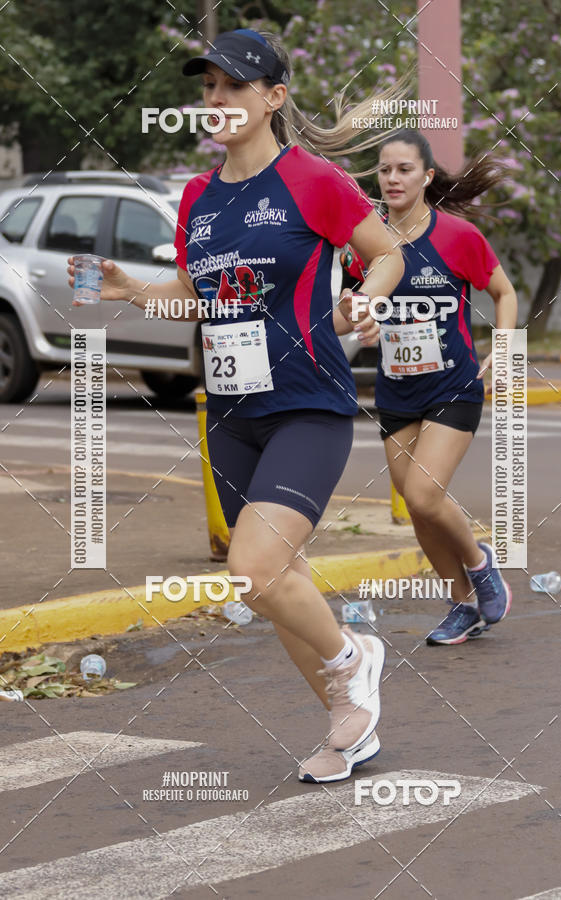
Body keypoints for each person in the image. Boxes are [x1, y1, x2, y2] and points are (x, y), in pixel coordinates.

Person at [68, 29, 406, 782]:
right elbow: (196, 297)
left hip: (307, 405)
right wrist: (129, 292)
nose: (215, 100)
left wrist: (364, 297)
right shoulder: (197, 196)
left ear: (273, 98)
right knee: (280, 579)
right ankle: (348, 721)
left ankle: (357, 659)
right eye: (207, 87)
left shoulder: (311, 179)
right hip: (231, 412)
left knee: (254, 571)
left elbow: (387, 253)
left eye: (232, 86)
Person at [340, 128, 518, 645]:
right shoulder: (366, 241)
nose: (392, 179)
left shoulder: (457, 236)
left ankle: (482, 566)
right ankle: (461, 603)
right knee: (416, 503)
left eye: (404, 170)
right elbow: (355, 311)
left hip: (453, 386)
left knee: (423, 491)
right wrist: (349, 318)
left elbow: (503, 292)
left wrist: (504, 349)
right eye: (385, 169)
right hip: (396, 392)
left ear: (427, 176)